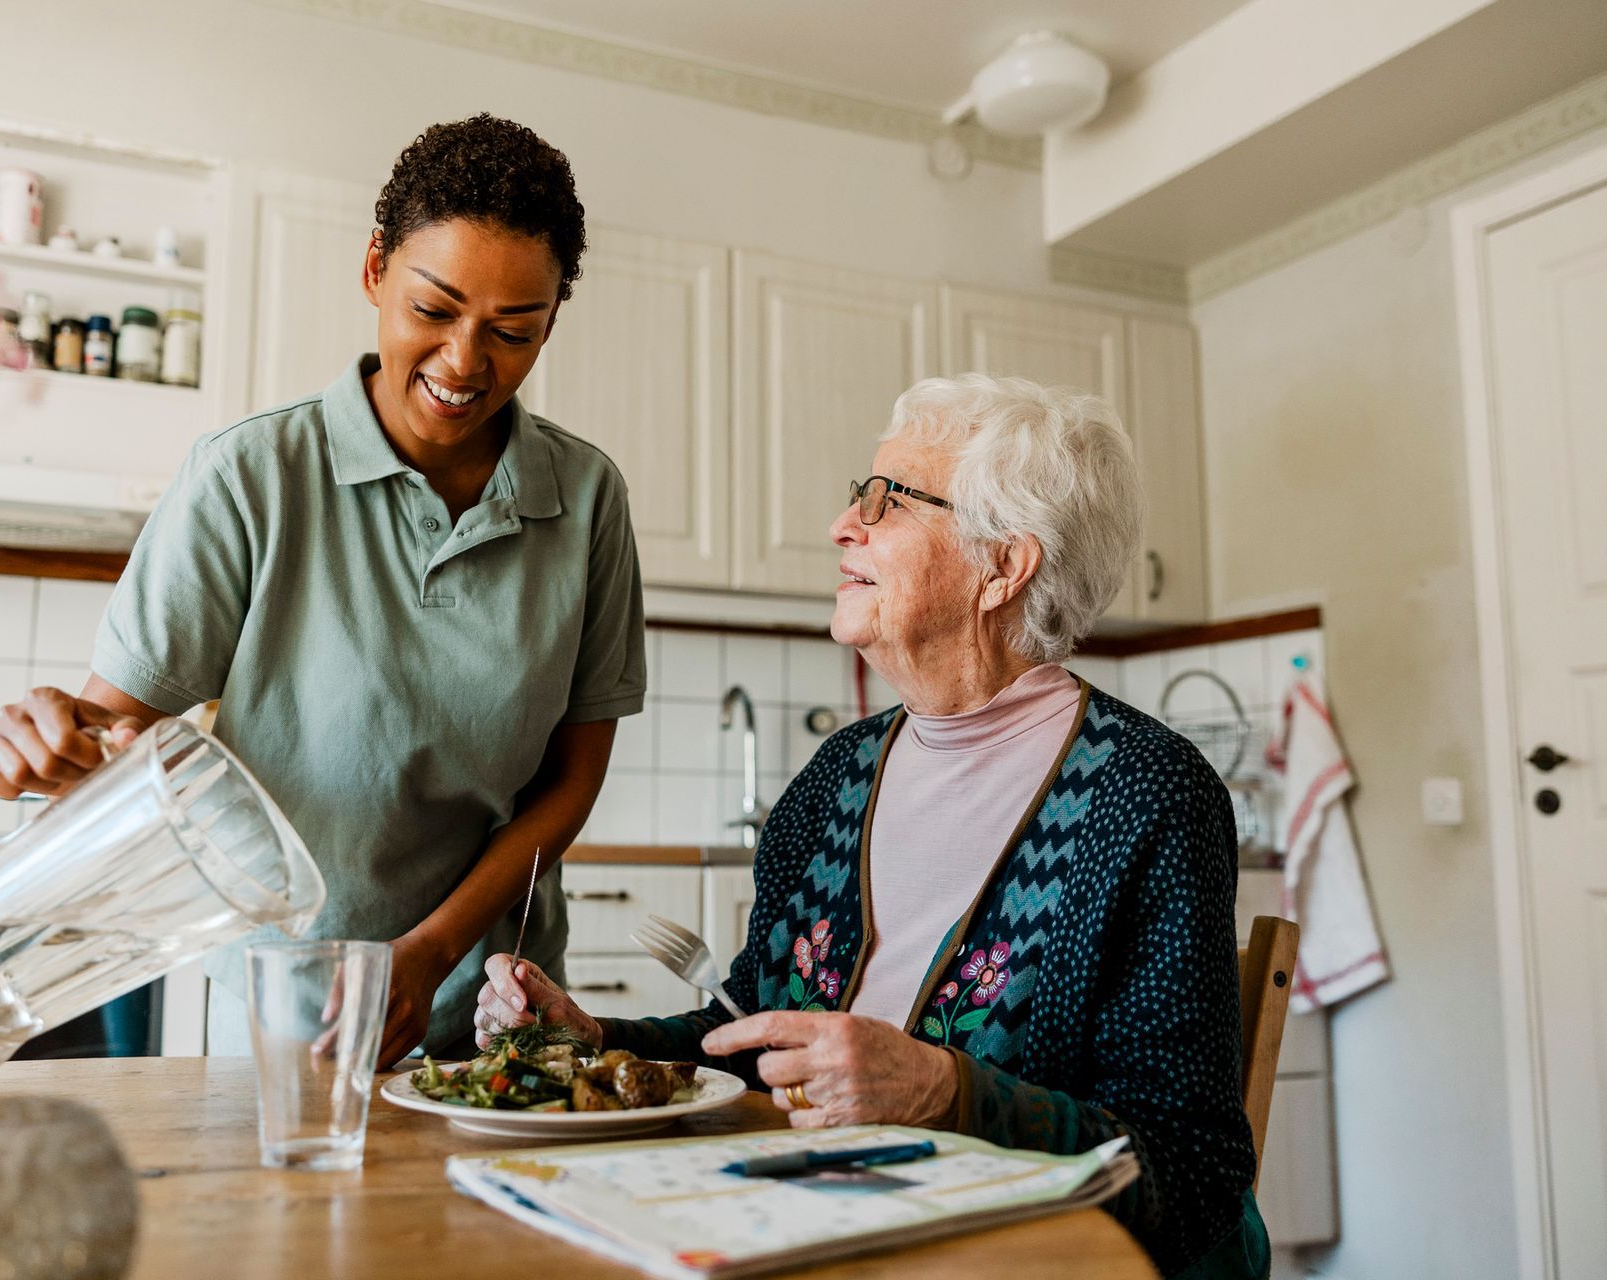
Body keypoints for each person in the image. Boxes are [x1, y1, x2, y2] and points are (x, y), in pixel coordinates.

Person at [476, 373, 1267, 1279]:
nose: (842, 524)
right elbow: (745, 1037)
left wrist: (946, 1092)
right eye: (861, 494)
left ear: (1003, 566)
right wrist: (596, 1042)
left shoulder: (1149, 795)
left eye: (888, 500)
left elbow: (1191, 1169)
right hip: (840, 1237)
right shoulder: (834, 781)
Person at [0, 115, 646, 1065]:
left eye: (512, 331)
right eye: (434, 309)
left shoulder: (586, 501)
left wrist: (426, 954)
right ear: (375, 268)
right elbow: (113, 731)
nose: (464, 362)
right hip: (287, 996)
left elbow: (571, 779)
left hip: (500, 1001)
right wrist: (48, 740)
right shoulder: (249, 476)